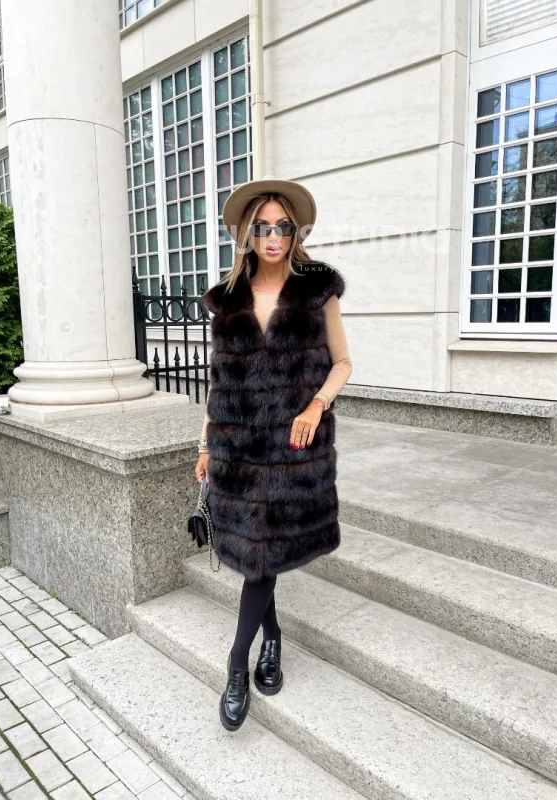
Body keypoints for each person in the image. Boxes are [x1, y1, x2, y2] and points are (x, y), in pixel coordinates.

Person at [194, 173, 352, 732]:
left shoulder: (317, 291)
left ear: (295, 232)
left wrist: (315, 406)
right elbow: (219, 383)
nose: (273, 236)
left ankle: (236, 666)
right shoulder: (227, 301)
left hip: (293, 451)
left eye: (283, 226)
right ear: (247, 234)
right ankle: (274, 639)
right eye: (262, 227)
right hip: (238, 451)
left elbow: (343, 363)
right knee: (261, 558)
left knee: (261, 561)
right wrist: (205, 444)